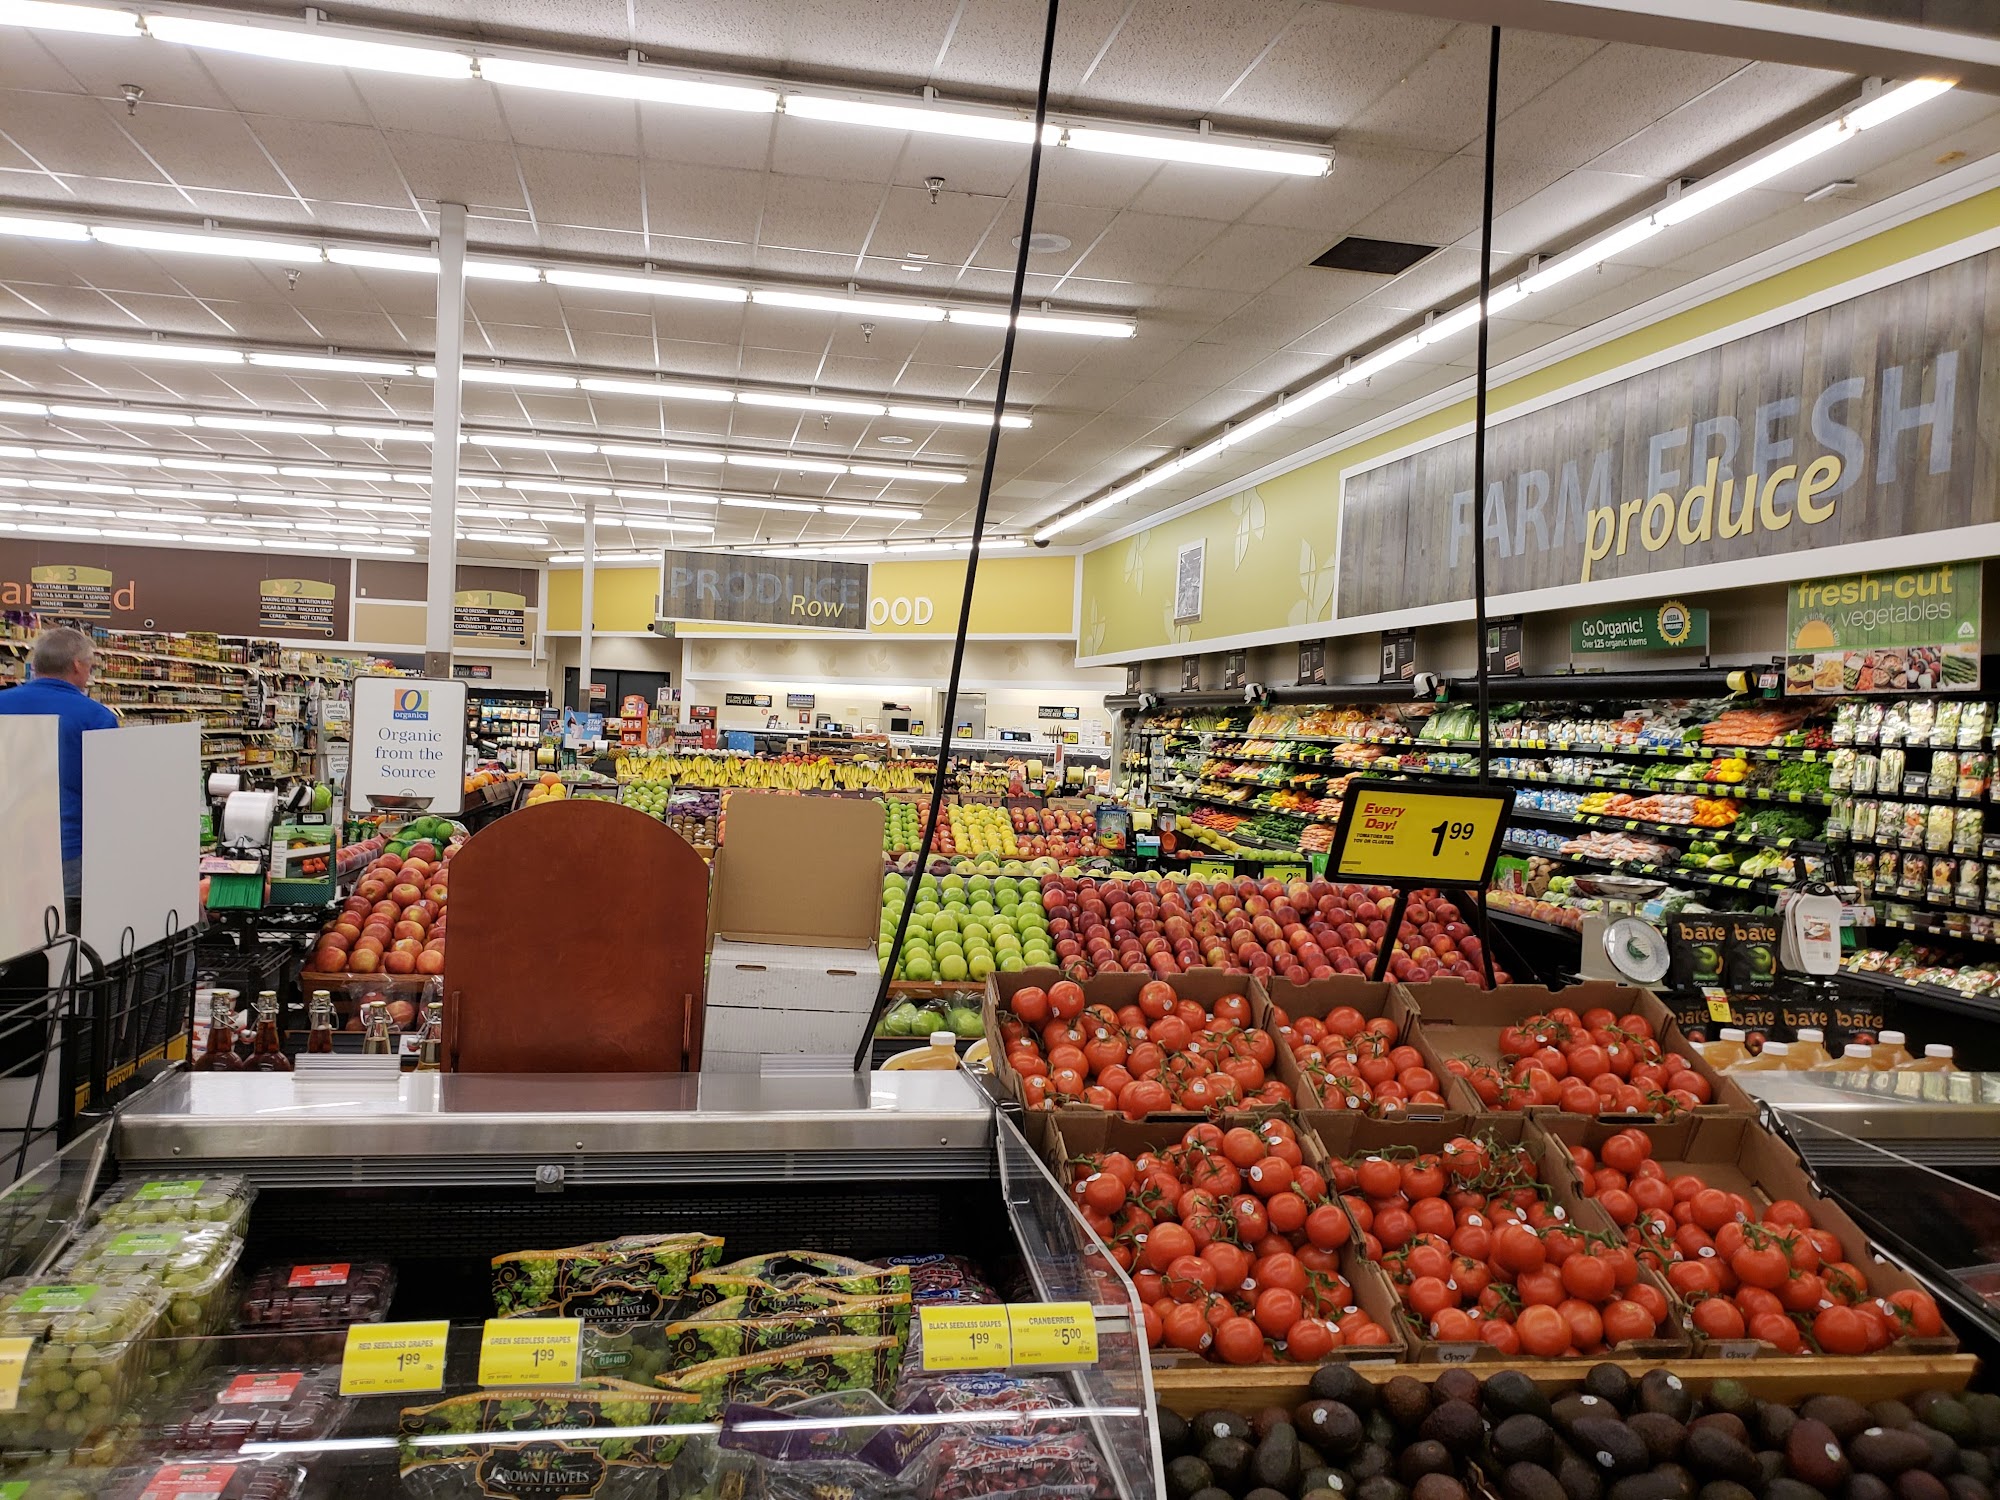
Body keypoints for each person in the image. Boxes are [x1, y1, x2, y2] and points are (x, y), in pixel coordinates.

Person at [0, 626, 120, 919]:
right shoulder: (96, 717)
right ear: (77, 665)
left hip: (8, 846)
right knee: (62, 934)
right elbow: (108, 793)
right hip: (66, 851)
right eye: (90, 665)